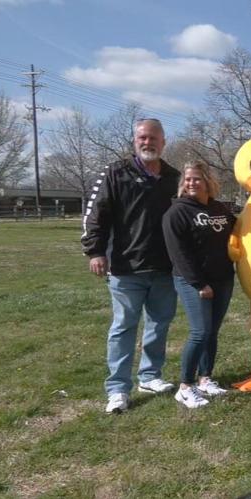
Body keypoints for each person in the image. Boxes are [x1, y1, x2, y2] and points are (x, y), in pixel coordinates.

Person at [82, 118, 181, 414]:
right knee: (123, 327)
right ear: (134, 141)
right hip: (125, 267)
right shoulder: (115, 173)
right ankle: (117, 389)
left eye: (153, 138)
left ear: (164, 142)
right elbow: (95, 214)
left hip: (165, 268)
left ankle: (150, 377)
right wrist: (95, 251)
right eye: (141, 138)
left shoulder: (174, 177)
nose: (147, 142)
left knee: (159, 325)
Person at [162, 161, 235, 409]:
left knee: (212, 331)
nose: (192, 183)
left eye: (197, 179)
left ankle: (205, 379)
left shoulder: (220, 209)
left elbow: (240, 230)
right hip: (193, 281)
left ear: (208, 182)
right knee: (200, 331)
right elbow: (179, 254)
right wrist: (199, 283)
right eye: (188, 179)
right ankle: (185, 386)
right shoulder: (176, 213)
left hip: (223, 278)